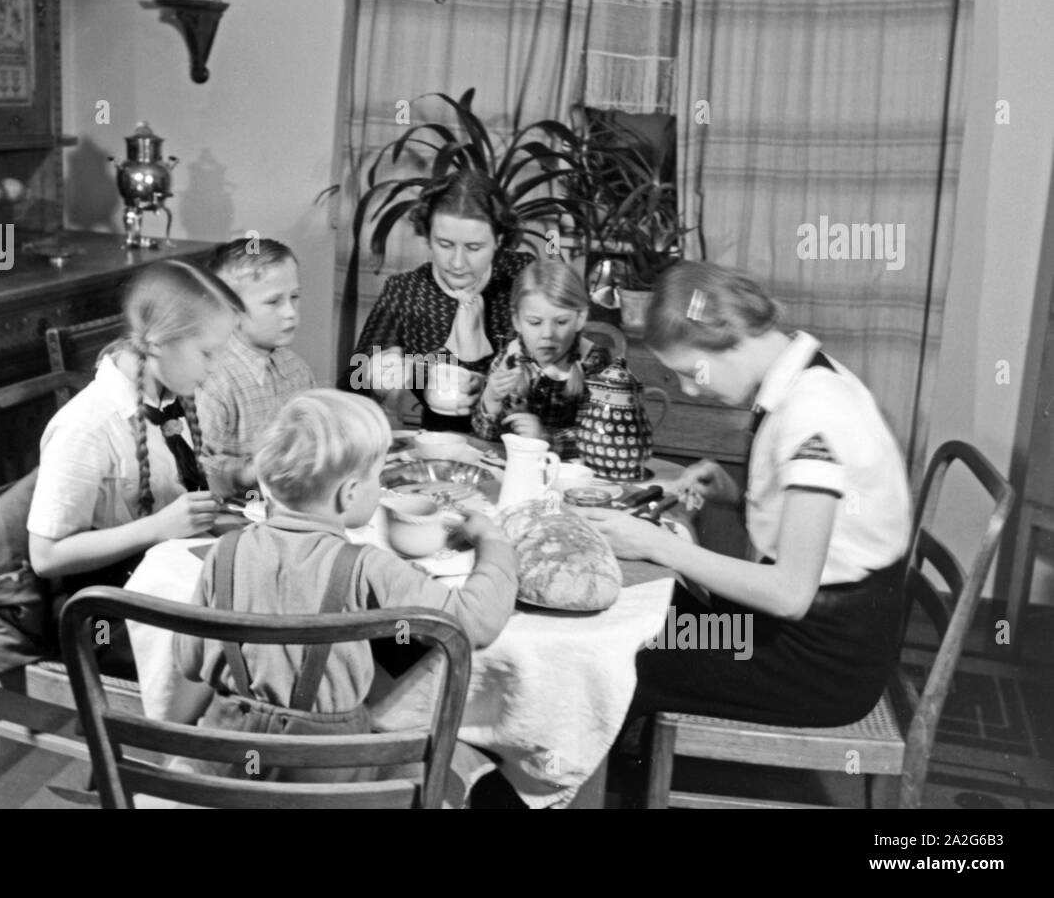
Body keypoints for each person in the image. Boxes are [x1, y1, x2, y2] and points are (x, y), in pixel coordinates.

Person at [581, 263, 912, 731]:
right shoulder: (809, 374)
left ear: (731, 340)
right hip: (804, 631)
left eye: (689, 370)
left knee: (614, 656)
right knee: (643, 612)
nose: (692, 387)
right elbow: (825, 533)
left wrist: (657, 544)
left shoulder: (815, 414)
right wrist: (738, 496)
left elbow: (790, 593)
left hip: (816, 663)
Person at [176, 389, 518, 780]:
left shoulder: (226, 550)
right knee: (461, 763)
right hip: (325, 775)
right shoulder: (367, 566)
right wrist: (493, 543)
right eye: (376, 476)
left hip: (228, 763)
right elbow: (476, 621)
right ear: (350, 493)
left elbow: (189, 662)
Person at [26, 260, 243, 593]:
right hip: (113, 609)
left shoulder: (170, 400)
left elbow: (172, 493)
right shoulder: (85, 427)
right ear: (156, 342)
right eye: (207, 353)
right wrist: (157, 527)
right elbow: (45, 557)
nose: (216, 368)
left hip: (172, 580)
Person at [341, 170, 534, 432]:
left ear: (499, 240)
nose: (457, 263)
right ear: (427, 235)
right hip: (438, 440)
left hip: (516, 438)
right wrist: (381, 377)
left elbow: (561, 359)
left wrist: (495, 385)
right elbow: (353, 385)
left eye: (474, 248)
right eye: (444, 244)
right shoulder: (405, 291)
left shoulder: (524, 278)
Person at [196, 237, 316, 500]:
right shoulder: (214, 379)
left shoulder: (296, 369)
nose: (290, 312)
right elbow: (195, 471)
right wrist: (247, 473)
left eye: (295, 297)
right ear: (230, 310)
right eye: (273, 302)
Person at [471, 259, 611, 458]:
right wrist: (491, 399)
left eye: (561, 322)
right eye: (535, 323)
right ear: (517, 321)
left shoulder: (592, 361)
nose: (548, 334)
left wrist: (544, 437)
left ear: (580, 318)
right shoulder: (511, 357)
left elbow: (599, 438)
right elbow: (486, 434)